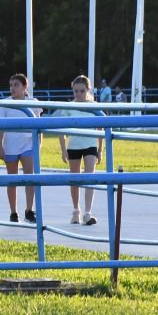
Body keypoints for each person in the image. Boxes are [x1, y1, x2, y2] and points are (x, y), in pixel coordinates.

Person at [55, 75, 103, 226]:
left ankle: (88, 212)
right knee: (74, 179)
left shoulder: (94, 106)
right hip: (74, 146)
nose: (78, 94)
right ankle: (76, 210)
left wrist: (100, 150)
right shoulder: (69, 107)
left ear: (88, 90)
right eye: (76, 91)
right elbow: (61, 130)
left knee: (90, 176)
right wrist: (63, 150)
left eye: (82, 91)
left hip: (90, 144)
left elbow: (101, 128)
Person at [0, 73, 39, 223]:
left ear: (25, 87)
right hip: (10, 146)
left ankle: (29, 209)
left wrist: (39, 143)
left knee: (29, 178)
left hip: (28, 144)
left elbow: (39, 124)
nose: (13, 88)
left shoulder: (33, 102)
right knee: (12, 180)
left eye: (16, 85)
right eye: (11, 85)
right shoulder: (4, 103)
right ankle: (13, 212)